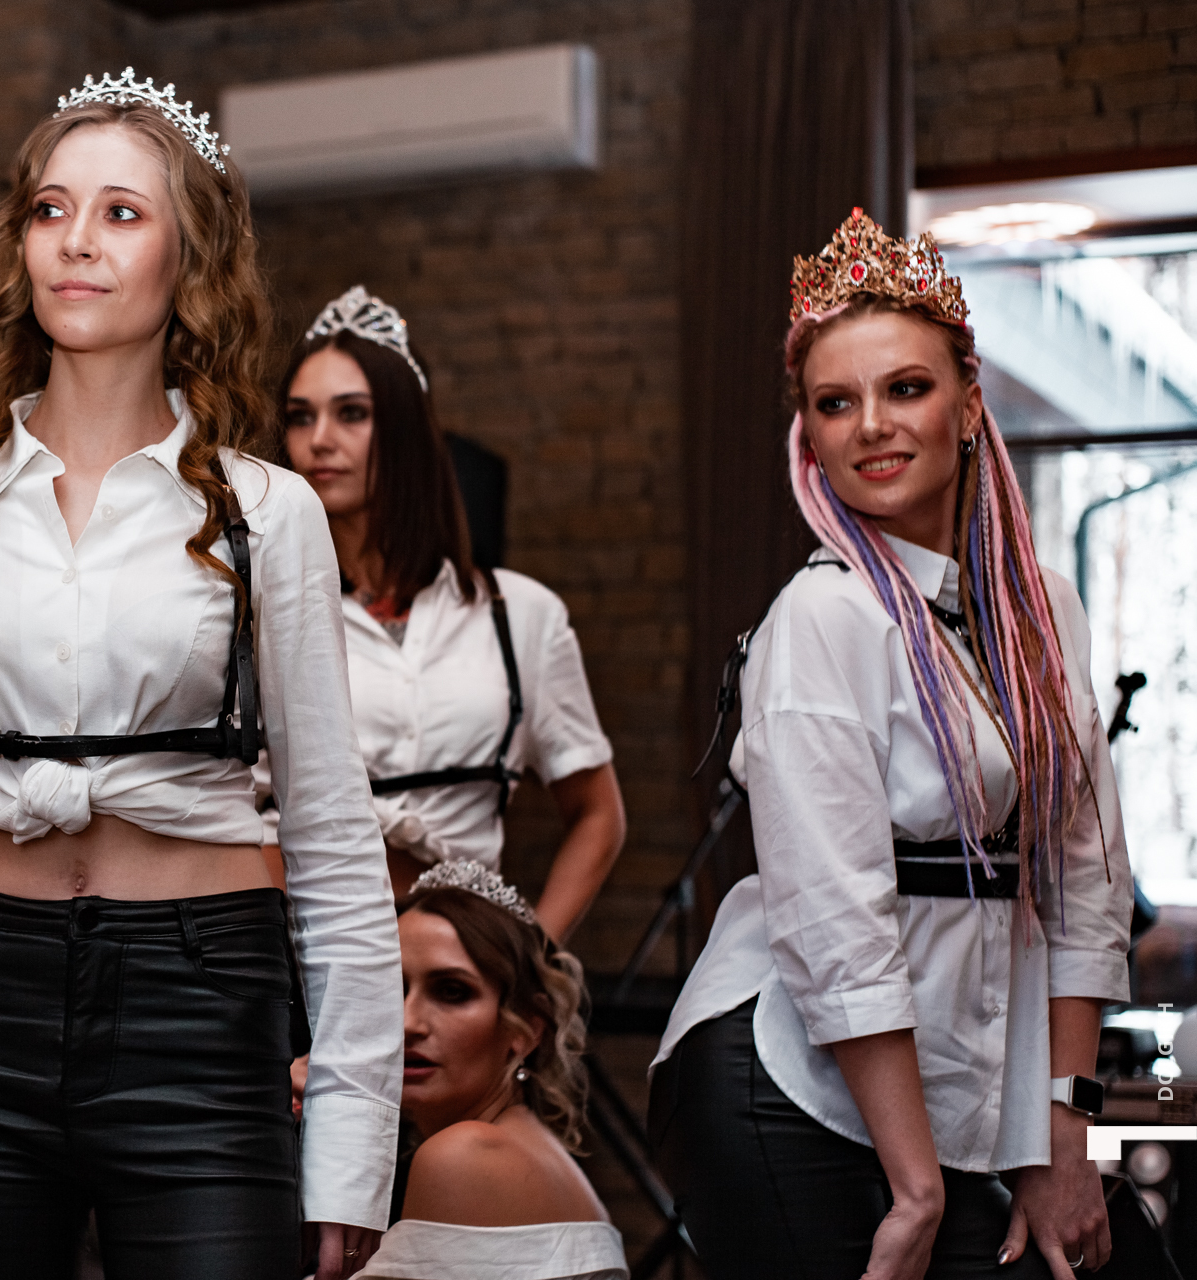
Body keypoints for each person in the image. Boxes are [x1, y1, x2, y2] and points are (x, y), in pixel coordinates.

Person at [0, 69, 402, 1280]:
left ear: (192, 258)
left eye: (122, 212)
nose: (77, 240)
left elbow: (334, 835)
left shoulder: (267, 511)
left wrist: (353, 1128)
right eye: (50, 209)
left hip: (203, 1004)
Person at [646, 210, 1134, 1280]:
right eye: (835, 402)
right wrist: (918, 1189)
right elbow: (836, 920)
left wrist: (1070, 1129)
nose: (871, 425)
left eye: (905, 388)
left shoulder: (1044, 605)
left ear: (970, 403)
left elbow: (1086, 880)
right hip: (794, 1084)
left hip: (965, 1085)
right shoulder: (820, 618)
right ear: (809, 434)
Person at [271, 288, 626, 940]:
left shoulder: (521, 615)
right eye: (300, 417)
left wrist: (531, 961)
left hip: (463, 963)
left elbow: (597, 814)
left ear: (408, 431)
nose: (319, 440)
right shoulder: (265, 614)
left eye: (352, 414)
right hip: (308, 953)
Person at [359, 859, 624, 1280]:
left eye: (452, 991)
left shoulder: (464, 1156)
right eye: (392, 989)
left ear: (527, 1029)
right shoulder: (529, 1152)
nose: (408, 1022)